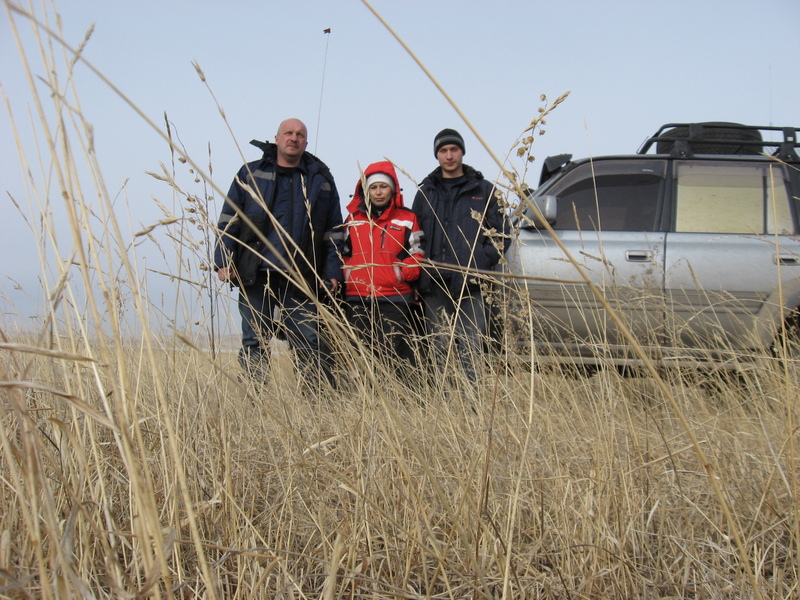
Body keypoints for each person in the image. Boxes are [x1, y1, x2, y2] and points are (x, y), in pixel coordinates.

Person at [213, 118, 343, 385]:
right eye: (288, 133)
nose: (293, 138)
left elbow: (334, 232)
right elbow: (229, 220)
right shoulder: (251, 173)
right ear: (276, 138)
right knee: (254, 340)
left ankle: (313, 403)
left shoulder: (321, 181)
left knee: (307, 340)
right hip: (256, 272)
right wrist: (223, 261)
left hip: (302, 276)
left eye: (300, 134)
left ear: (306, 142)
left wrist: (332, 273)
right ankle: (255, 401)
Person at [411, 128, 507, 383]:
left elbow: (501, 234)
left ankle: (471, 407)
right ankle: (443, 408)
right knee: (439, 347)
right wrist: (419, 276)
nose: (449, 155)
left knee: (470, 347)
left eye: (454, 149)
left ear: (462, 152)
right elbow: (413, 237)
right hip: (434, 283)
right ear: (436, 155)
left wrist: (480, 262)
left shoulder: (484, 190)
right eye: (443, 150)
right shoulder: (425, 192)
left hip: (471, 283)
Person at [342, 161, 424, 374]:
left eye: (383, 187)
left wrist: (402, 273)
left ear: (393, 189)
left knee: (394, 356)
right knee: (362, 358)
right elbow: (342, 254)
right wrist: (349, 276)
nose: (378, 192)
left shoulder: (408, 218)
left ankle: (396, 402)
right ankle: (367, 403)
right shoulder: (352, 219)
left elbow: (417, 253)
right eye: (373, 187)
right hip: (357, 297)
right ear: (365, 190)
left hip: (394, 298)